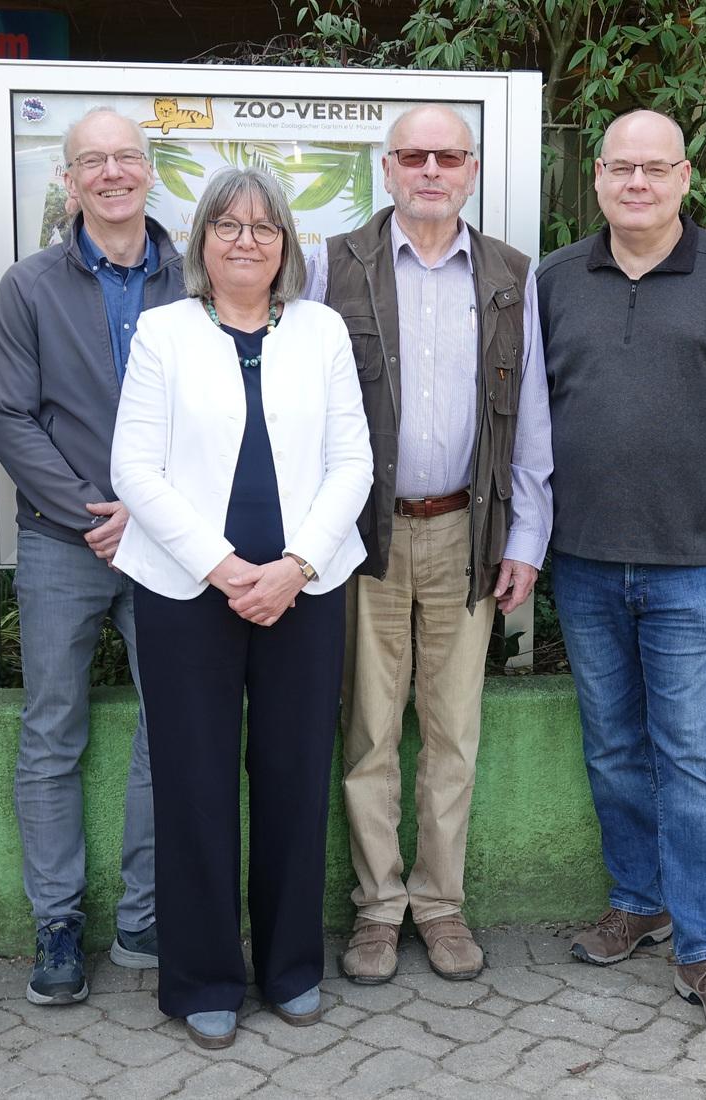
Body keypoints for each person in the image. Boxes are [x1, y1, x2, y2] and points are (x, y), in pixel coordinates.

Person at [536, 108, 706, 1036]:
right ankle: (637, 901)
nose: (635, 184)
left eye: (655, 168)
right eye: (619, 169)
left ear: (686, 178)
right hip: (587, 560)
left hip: (693, 562)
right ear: (596, 178)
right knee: (611, 746)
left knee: (688, 757)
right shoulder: (556, 279)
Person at [110, 166, 373, 1048]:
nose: (246, 240)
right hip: (188, 593)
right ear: (201, 243)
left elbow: (353, 465)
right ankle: (202, 979)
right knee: (193, 784)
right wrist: (226, 570)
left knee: (296, 779)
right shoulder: (162, 333)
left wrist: (293, 566)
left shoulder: (322, 331)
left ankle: (291, 966)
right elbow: (134, 470)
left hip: (306, 589)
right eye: (227, 225)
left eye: (264, 227)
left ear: (286, 246)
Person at [306, 103, 553, 984]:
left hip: (465, 532)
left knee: (453, 734)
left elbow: (528, 419)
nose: (430, 170)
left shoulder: (509, 276)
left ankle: (440, 907)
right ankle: (377, 911)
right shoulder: (331, 265)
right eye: (413, 155)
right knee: (369, 731)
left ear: (473, 170)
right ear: (386, 167)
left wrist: (525, 538)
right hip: (363, 536)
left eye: (449, 156)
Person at [0, 106, 183, 1004]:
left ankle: (145, 917)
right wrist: (92, 510)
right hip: (63, 541)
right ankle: (57, 923)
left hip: (174, 547)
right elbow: (8, 415)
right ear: (68, 181)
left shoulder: (195, 276)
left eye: (125, 158)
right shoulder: (29, 286)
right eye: (90, 161)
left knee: (169, 729)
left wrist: (150, 518)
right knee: (50, 732)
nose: (110, 173)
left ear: (149, 172)